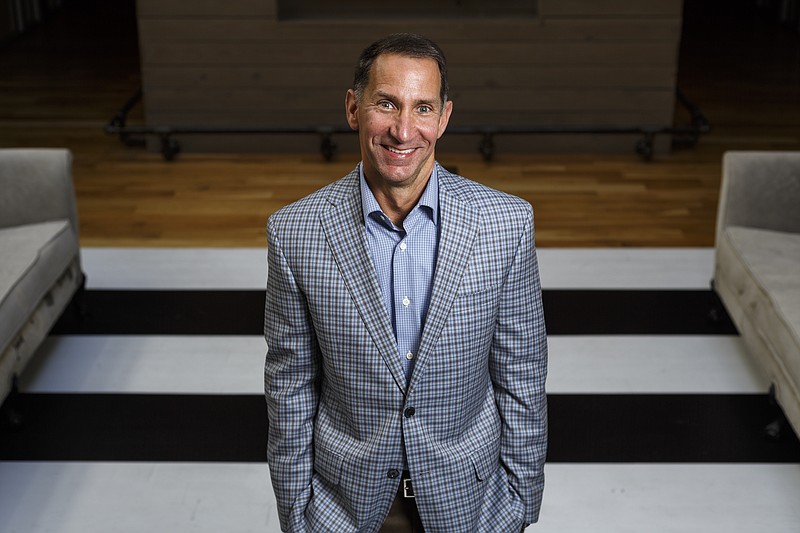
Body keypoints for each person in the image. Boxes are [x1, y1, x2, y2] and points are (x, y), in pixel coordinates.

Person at [264, 33, 548, 532]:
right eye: (386, 104)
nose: (403, 130)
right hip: (343, 507)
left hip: (473, 502)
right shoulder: (295, 232)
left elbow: (522, 373)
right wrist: (296, 513)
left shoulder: (507, 223)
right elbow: (290, 385)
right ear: (353, 108)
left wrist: (521, 500)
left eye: (422, 108)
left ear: (444, 117)